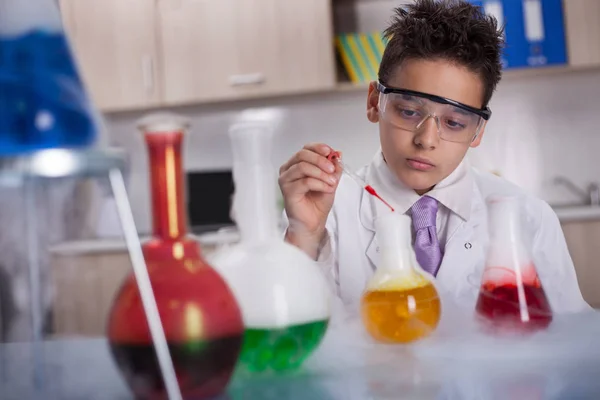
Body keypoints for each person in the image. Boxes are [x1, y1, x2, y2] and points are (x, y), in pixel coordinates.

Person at [278, 0, 590, 313]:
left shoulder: (530, 217)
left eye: (454, 122)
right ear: (375, 102)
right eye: (409, 111)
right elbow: (292, 341)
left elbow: (567, 341)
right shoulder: (326, 212)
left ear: (478, 130)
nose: (426, 140)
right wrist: (304, 237)